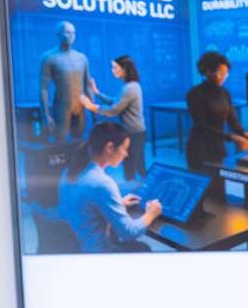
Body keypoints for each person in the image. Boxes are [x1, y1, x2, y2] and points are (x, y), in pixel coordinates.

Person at [57, 121, 160, 252]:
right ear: (110, 147)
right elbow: (128, 233)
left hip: (76, 246)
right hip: (96, 252)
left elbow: (83, 207)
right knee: (143, 249)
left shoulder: (70, 170)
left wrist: (118, 203)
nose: (126, 154)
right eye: (124, 148)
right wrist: (150, 214)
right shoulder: (102, 183)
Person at [184, 51, 248, 200]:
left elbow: (232, 119)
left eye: (226, 72)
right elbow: (201, 126)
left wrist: (244, 133)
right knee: (203, 194)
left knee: (218, 191)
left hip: (217, 149)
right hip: (200, 149)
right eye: (219, 72)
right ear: (207, 71)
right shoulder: (195, 94)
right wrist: (232, 137)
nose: (223, 76)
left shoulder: (225, 93)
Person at [81, 56, 146, 182]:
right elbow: (115, 101)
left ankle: (139, 191)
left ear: (125, 69)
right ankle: (138, 187)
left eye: (115, 67)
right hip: (135, 131)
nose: (113, 70)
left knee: (133, 164)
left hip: (135, 132)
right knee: (134, 163)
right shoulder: (129, 86)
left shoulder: (130, 88)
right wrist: (97, 92)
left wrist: (91, 106)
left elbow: (114, 110)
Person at [38, 21, 95, 141]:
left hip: (80, 107)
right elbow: (43, 89)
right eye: (67, 32)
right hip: (62, 107)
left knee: (79, 142)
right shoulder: (49, 58)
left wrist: (94, 112)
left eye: (73, 33)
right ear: (58, 34)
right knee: (61, 143)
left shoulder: (82, 58)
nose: (71, 36)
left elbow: (87, 86)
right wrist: (46, 115)